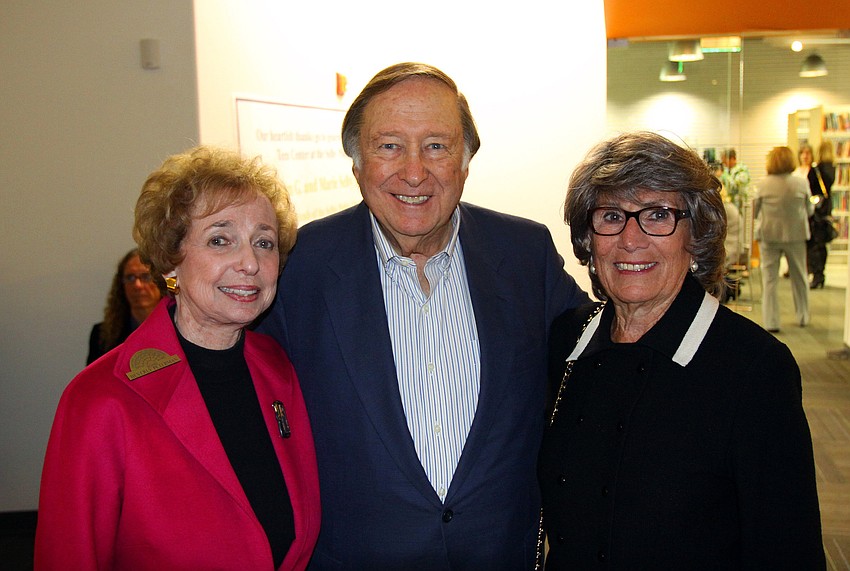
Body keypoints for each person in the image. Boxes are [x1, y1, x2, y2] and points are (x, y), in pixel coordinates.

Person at [258, 62, 589, 569]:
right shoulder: (299, 265)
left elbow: (599, 358)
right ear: (356, 162)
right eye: (388, 145)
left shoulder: (524, 254)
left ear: (466, 160)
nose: (414, 172)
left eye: (436, 145)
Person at [539, 132, 824, 568]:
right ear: (588, 240)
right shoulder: (567, 342)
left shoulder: (753, 368)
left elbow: (787, 548)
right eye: (612, 215)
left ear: (696, 235)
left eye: (658, 215)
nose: (631, 239)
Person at [36, 146, 320, 570]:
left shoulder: (277, 370)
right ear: (171, 262)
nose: (250, 263)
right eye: (220, 240)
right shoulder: (100, 399)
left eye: (265, 242)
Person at [757, 146, 814, 332]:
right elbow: (810, 209)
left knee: (770, 280)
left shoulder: (763, 184)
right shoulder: (801, 183)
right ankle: (803, 316)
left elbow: (755, 211)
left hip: (769, 236)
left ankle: (771, 322)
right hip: (796, 235)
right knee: (800, 277)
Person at [87, 248, 163, 364]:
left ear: (160, 282)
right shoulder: (102, 335)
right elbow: (93, 381)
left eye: (146, 276)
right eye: (130, 278)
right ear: (121, 286)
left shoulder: (181, 329)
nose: (137, 285)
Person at [795, 142, 836, 289]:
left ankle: (816, 274)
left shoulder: (816, 169)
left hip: (815, 211)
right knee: (822, 244)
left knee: (814, 244)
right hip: (826, 209)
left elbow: (810, 190)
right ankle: (820, 275)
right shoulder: (832, 168)